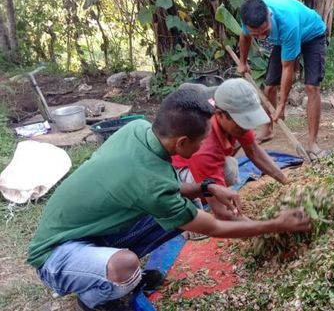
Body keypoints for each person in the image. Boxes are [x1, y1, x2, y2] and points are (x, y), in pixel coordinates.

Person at [27, 89, 311, 311]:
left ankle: (121, 277)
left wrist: (206, 188)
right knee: (126, 265)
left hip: (89, 230)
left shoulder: (137, 128)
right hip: (55, 256)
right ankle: (94, 300)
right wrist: (276, 224)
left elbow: (161, 184)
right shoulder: (152, 186)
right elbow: (214, 227)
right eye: (200, 141)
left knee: (177, 218)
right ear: (182, 143)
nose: (202, 147)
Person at [172, 79, 289, 221]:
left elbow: (253, 151)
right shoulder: (204, 146)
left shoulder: (232, 115)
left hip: (204, 158)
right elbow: (221, 212)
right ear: (220, 114)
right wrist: (266, 228)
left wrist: (287, 182)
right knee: (228, 170)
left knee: (230, 167)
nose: (247, 129)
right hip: (176, 174)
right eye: (242, 123)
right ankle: (189, 204)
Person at [237, 0, 327, 158]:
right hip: (283, 39)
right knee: (269, 86)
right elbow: (244, 36)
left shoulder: (287, 22)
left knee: (311, 87)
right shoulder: (248, 15)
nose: (262, 38)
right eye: (256, 34)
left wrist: (282, 105)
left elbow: (288, 68)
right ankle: (267, 129)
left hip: (312, 34)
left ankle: (312, 143)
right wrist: (243, 63)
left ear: (269, 16)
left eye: (265, 32)